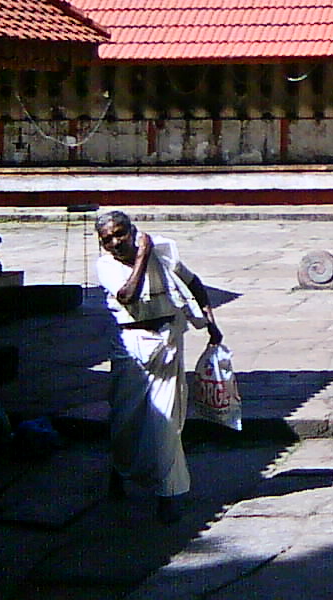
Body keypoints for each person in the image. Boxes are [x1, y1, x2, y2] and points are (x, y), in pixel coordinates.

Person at [94, 210, 221, 523]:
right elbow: (127, 294)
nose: (114, 243)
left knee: (165, 422)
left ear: (133, 231)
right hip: (130, 345)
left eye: (120, 234)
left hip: (167, 340)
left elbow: (193, 283)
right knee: (125, 420)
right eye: (107, 239)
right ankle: (121, 469)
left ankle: (169, 493)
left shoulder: (163, 251)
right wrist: (142, 257)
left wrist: (210, 322)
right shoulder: (106, 265)